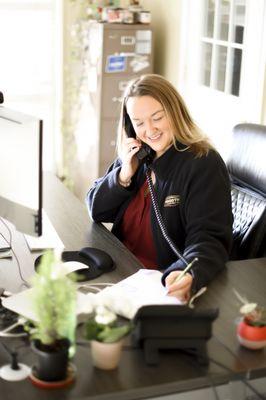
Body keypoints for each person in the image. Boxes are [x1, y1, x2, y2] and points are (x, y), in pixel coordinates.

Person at [86, 74, 233, 302]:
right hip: (120, 273)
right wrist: (124, 174)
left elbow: (209, 238)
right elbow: (97, 210)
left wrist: (187, 272)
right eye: (139, 122)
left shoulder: (203, 163)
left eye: (157, 117)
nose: (149, 130)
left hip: (160, 284)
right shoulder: (138, 156)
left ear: (175, 113)